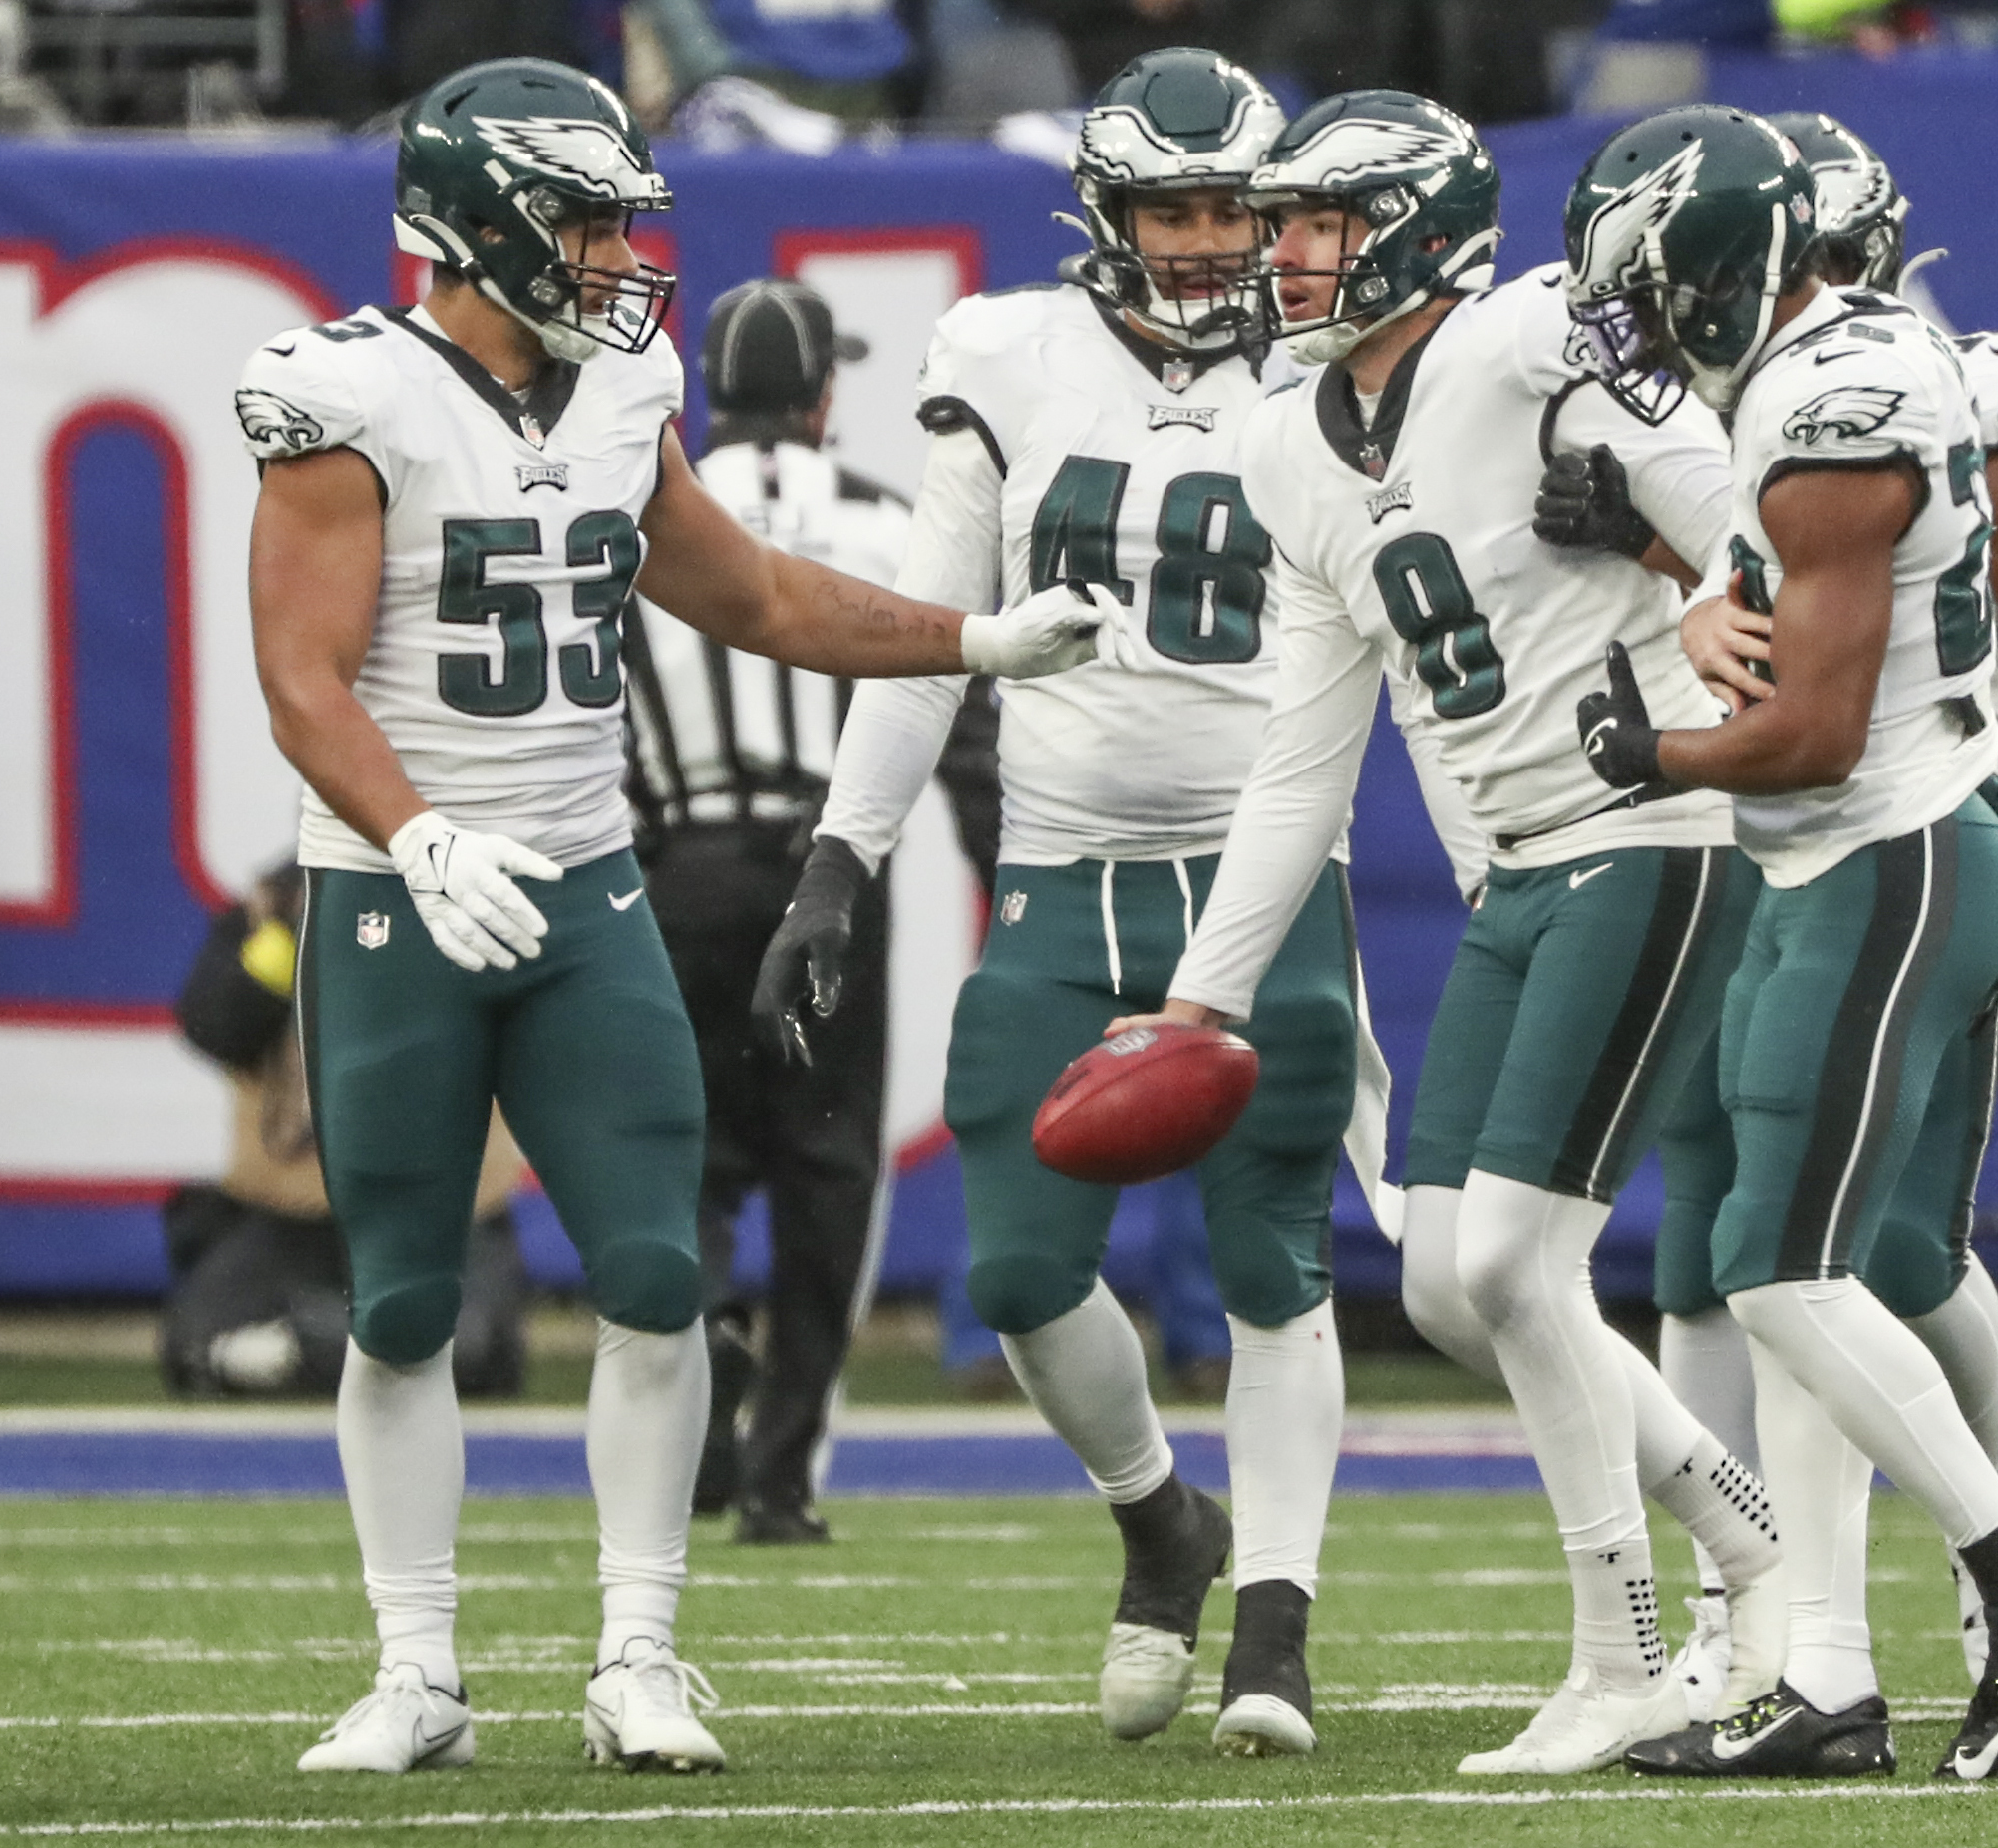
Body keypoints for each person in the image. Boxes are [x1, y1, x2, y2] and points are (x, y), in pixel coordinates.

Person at [240, 55, 1106, 1778]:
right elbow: (298, 673)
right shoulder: (349, 394)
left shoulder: (625, 383)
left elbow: (756, 590)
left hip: (584, 882)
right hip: (397, 901)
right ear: (480, 224)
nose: (618, 255)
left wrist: (970, 642)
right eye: (578, 217)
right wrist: (414, 840)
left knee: (652, 1266)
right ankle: (418, 1666)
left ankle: (640, 1646)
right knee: (402, 1297)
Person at [1108, 88, 1787, 1777]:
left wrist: (1711, 573)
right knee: (1438, 1273)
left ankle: (1625, 1646)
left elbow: (1733, 506)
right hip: (1512, 874)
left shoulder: (1523, 338)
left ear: (1411, 229)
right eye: (1281, 228)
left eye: (1319, 226)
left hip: (1643, 829)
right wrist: (1198, 992)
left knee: (1507, 1262)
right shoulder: (1280, 440)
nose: (1281, 258)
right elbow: (1305, 745)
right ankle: (1758, 1548)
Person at [759, 47, 1368, 1760]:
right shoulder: (1005, 354)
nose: (1198, 240)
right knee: (1022, 1268)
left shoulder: (1334, 364)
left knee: (1276, 1264)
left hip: (1257, 872)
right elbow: (924, 628)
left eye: (1227, 208)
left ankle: (1276, 1625)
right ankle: (1161, 1518)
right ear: (1104, 212)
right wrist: (837, 858)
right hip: (1059, 872)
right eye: (1170, 206)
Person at [1542, 111, 1998, 1773]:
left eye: (1655, 294)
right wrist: (1680, 578)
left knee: (1816, 1261)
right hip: (1836, 853)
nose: (1643, 336)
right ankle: (1827, 1670)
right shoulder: (1830, 389)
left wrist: (1644, 748)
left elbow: (1821, 711)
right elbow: (1804, 591)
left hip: (1888, 842)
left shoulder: (1849, 398)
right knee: (1799, 1257)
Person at [628, 277, 1000, 1544]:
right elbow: (952, 717)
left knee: (690, 1156)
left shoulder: (646, 514)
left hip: (678, 866)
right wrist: (1010, 883)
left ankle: (707, 1334)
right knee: (827, 1168)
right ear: (825, 396)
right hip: (830, 877)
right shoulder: (888, 519)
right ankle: (781, 1476)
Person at [166, 864, 529, 1399]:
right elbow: (215, 1026)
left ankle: (315, 1346)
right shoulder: (273, 909)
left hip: (441, 1216)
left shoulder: (476, 901)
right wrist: (293, 937)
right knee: (196, 1345)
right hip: (291, 1213)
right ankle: (333, 1346)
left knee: (476, 1349)